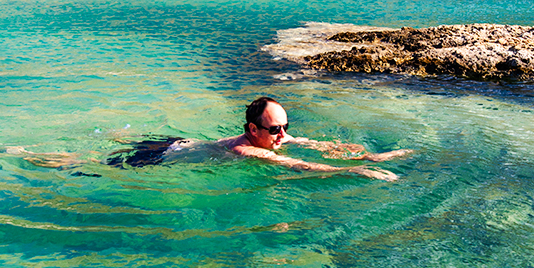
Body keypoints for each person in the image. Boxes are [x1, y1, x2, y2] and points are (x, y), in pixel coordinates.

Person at [25, 97, 413, 180]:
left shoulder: (275, 137)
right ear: (253, 130)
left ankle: (112, 132)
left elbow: (321, 148)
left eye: (285, 126)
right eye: (275, 128)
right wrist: (354, 174)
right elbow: (300, 165)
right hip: (163, 156)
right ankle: (36, 155)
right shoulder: (248, 150)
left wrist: (375, 158)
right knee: (91, 164)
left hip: (179, 140)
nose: (283, 135)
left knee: (118, 142)